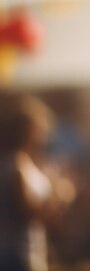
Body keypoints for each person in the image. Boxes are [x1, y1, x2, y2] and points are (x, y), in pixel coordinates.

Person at [0, 89, 55, 271]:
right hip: (17, 252)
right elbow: (29, 212)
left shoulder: (23, 161)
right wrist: (59, 195)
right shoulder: (16, 165)